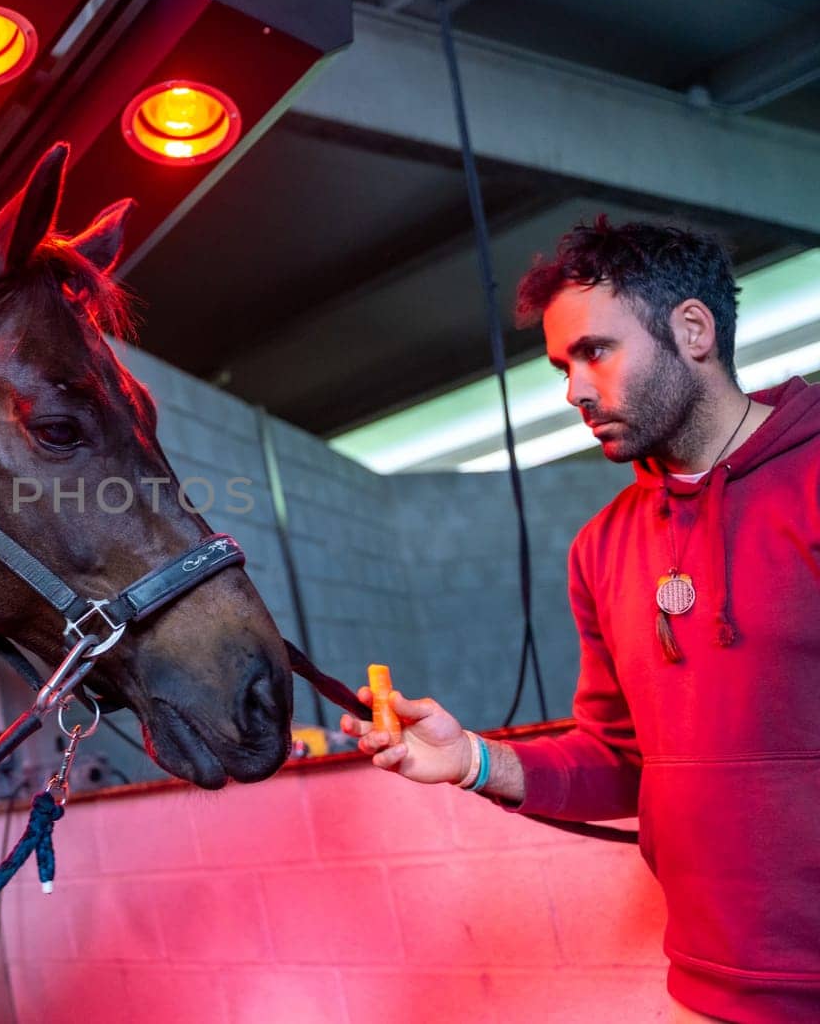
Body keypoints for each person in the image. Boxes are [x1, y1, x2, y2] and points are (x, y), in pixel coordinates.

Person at [342, 217, 820, 1023]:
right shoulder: (603, 548)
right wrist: (472, 761)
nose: (574, 390)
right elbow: (621, 758)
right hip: (708, 988)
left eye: (595, 351)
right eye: (564, 365)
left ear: (693, 330)